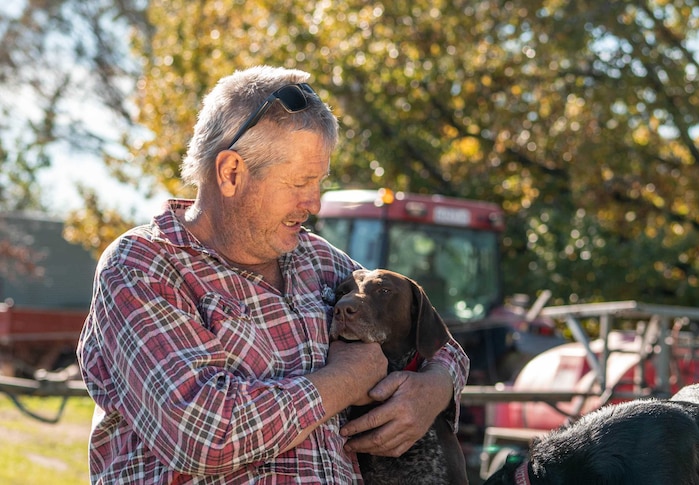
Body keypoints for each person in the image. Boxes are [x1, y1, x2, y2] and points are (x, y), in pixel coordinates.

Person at [76, 65, 469, 484]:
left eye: (319, 182)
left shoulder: (320, 261)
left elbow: (440, 344)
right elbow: (206, 436)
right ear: (230, 173)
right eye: (300, 182)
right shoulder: (144, 265)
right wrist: (344, 379)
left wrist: (433, 388)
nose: (314, 203)